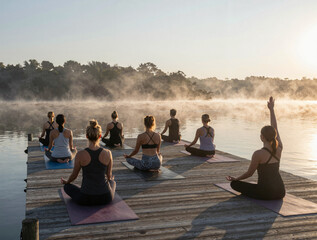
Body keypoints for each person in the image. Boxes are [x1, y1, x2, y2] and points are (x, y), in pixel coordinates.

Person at [226, 97, 285, 200]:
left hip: (266, 193)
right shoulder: (279, 148)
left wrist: (236, 179)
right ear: (274, 136)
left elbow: (249, 173)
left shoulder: (258, 154)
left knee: (234, 185)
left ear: (262, 137)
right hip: (280, 191)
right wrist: (271, 110)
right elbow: (275, 128)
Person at [61, 119, 116, 205]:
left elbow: (74, 176)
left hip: (86, 198)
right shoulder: (108, 153)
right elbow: (109, 176)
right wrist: (111, 180)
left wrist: (67, 182)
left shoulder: (80, 154)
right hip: (106, 197)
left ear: (86, 136)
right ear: (100, 136)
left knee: (67, 187)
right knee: (112, 182)